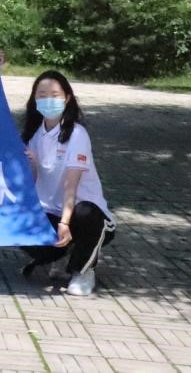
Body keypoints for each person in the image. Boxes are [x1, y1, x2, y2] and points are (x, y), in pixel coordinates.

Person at [19, 71, 116, 296]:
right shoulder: (34, 135)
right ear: (34, 99)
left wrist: (64, 222)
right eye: (42, 95)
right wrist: (31, 165)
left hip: (85, 214)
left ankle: (83, 270)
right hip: (51, 211)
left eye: (55, 95)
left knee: (85, 213)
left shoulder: (77, 134)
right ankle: (62, 255)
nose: (48, 100)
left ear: (67, 98)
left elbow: (71, 184)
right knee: (23, 231)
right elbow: (33, 181)